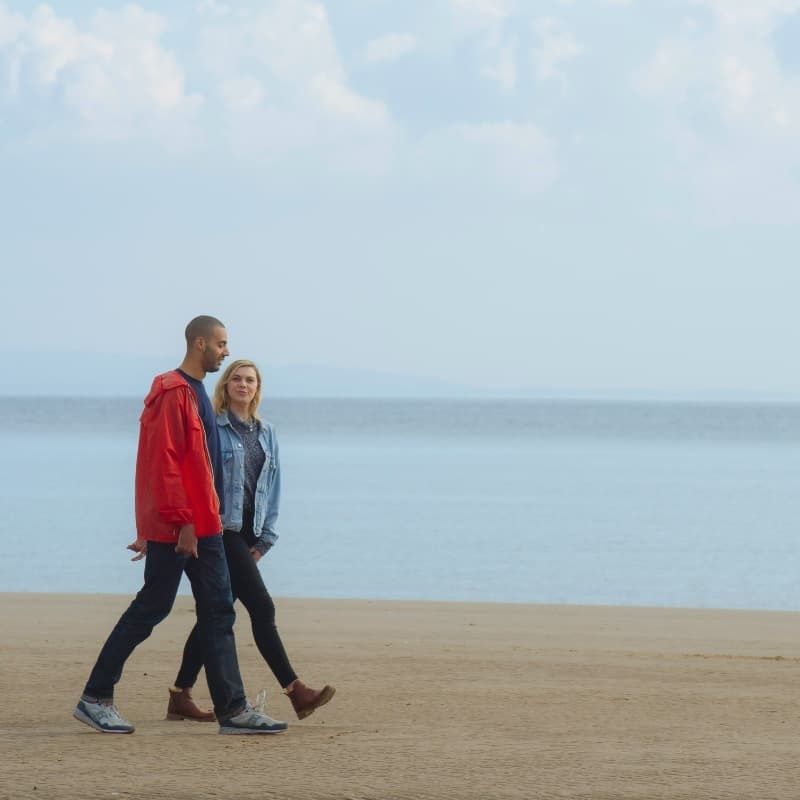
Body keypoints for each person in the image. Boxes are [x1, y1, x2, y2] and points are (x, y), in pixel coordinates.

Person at [74, 317, 288, 735]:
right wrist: (180, 522)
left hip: (205, 525)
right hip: (183, 529)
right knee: (152, 607)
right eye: (221, 344)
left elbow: (197, 466)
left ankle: (234, 710)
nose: (226, 351)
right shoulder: (173, 391)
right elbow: (164, 463)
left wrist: (194, 522)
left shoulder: (197, 392)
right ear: (200, 343)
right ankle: (95, 698)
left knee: (219, 611)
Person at [165, 359, 335, 723]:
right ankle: (296, 691)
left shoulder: (267, 431)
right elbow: (197, 477)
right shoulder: (213, 427)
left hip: (249, 533)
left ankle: (180, 694)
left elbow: (273, 487)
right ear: (226, 385)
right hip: (219, 530)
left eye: (250, 380)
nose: (243, 384)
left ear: (258, 388)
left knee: (217, 610)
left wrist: (267, 537)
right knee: (262, 607)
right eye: (237, 379)